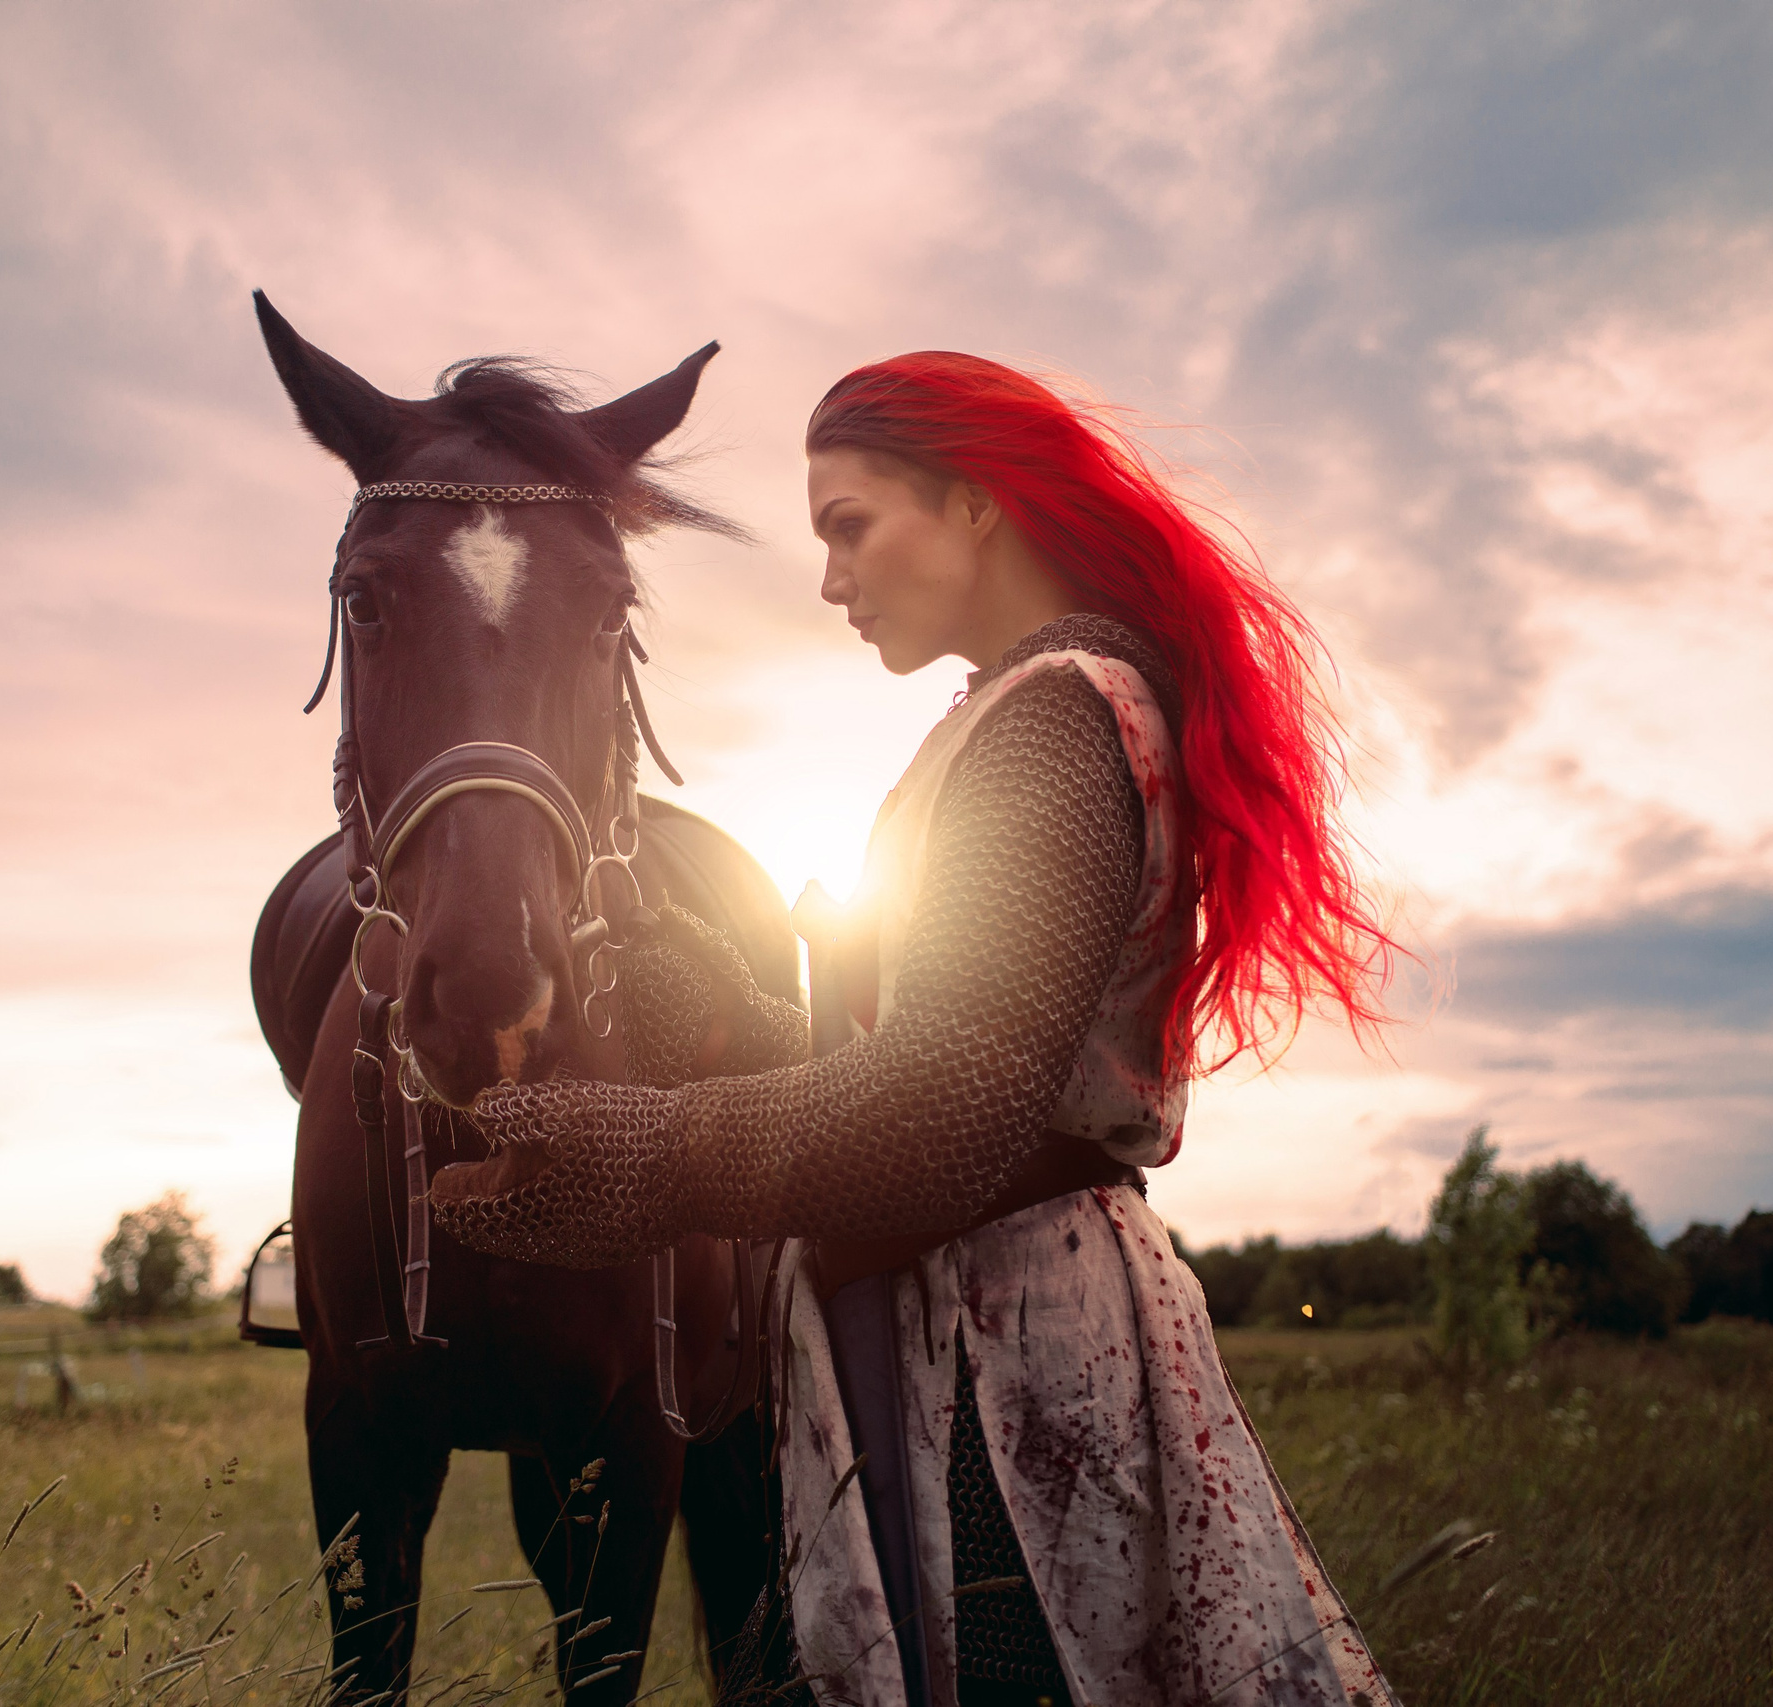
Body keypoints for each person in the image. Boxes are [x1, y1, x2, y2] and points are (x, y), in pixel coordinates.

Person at [432, 353, 1400, 1707]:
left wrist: (651, 1159)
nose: (829, 576)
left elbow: (947, 1113)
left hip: (1004, 1358)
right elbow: (948, 1057)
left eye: (850, 524)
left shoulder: (1053, 724)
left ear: (978, 502)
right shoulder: (1022, 714)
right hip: (959, 1319)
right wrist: (731, 1018)